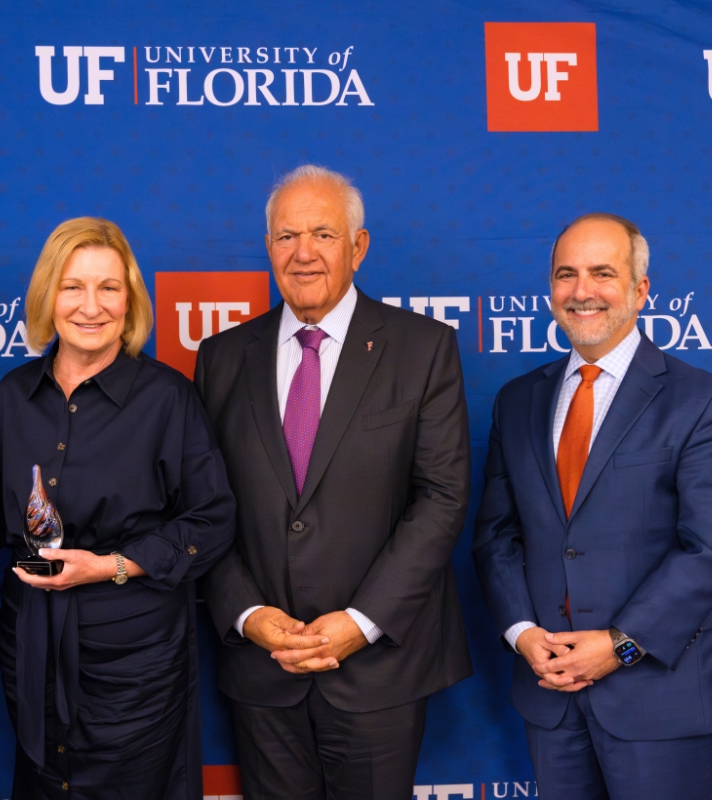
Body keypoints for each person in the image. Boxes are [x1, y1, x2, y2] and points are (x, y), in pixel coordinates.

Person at [194, 165, 472, 800]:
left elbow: (441, 497)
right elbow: (204, 507)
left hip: (379, 667)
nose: (304, 253)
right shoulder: (222, 358)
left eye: (323, 234)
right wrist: (249, 615)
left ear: (358, 246)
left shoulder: (423, 348)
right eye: (286, 236)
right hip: (264, 667)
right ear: (268, 248)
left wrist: (361, 621)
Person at [472, 213, 712, 800]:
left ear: (640, 289)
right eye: (565, 274)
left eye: (602, 273)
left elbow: (711, 548)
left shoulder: (702, 400)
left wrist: (621, 644)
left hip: (659, 695)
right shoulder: (517, 401)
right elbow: (497, 535)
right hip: (550, 693)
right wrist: (523, 633)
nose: (582, 291)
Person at [0, 217, 235, 800]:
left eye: (108, 287)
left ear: (130, 301)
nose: (91, 306)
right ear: (48, 296)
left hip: (136, 657)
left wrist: (109, 566)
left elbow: (213, 518)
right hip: (31, 643)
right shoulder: (11, 397)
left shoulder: (167, 397)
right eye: (73, 286)